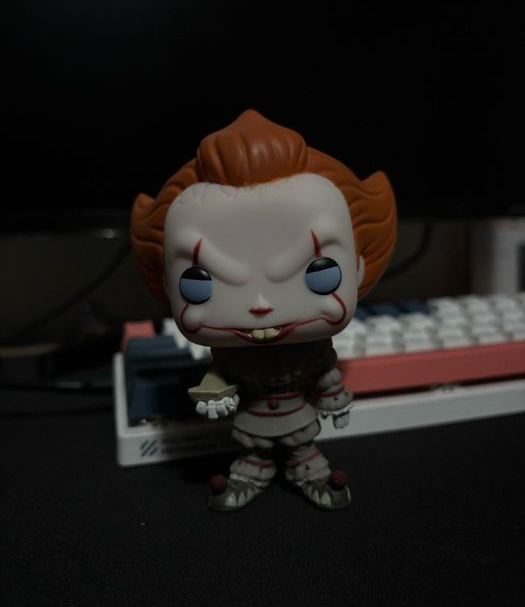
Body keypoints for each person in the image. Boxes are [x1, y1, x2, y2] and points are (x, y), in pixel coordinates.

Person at [131, 110, 396, 511]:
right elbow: (219, 378)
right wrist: (212, 394)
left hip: (298, 416)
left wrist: (335, 396)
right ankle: (251, 474)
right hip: (252, 421)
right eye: (199, 283)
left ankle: (309, 472)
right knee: (252, 455)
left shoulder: (312, 351)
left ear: (358, 266)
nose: (260, 305)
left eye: (319, 273)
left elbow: (325, 373)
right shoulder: (229, 356)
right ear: (168, 284)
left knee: (304, 452)